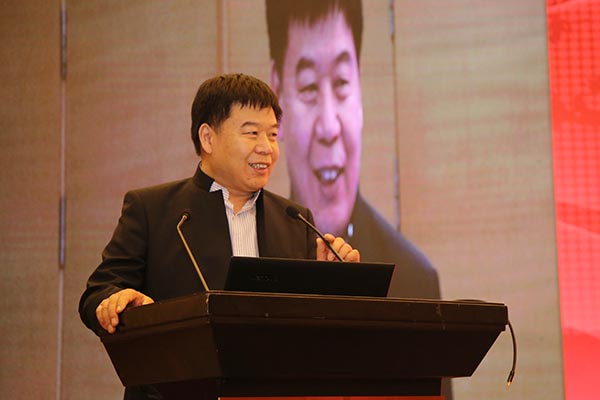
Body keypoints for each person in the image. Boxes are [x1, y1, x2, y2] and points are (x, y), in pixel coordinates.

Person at [79, 73, 360, 400]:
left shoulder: (295, 220)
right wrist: (124, 305)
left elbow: (309, 331)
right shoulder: (152, 210)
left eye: (272, 135)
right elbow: (97, 293)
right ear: (208, 138)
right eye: (251, 133)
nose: (266, 148)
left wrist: (333, 282)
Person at [266, 0, 440, 299]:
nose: (329, 127)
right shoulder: (255, 260)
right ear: (278, 98)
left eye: (342, 82)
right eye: (309, 87)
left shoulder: (411, 280)